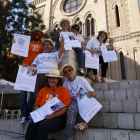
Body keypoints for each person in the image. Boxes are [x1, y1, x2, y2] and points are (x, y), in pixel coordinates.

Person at [25, 69, 71, 140]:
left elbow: (65, 108)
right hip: (43, 116)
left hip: (59, 117)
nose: (51, 80)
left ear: (58, 80)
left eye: (54, 78)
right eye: (50, 78)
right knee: (31, 125)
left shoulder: (63, 90)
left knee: (43, 126)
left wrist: (54, 115)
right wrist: (39, 113)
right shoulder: (42, 90)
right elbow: (37, 105)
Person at [12, 27, 44, 123]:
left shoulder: (43, 46)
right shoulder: (27, 44)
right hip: (24, 69)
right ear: (32, 34)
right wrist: (14, 44)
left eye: (38, 33)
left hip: (35, 70)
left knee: (33, 96)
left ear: (41, 35)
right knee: (23, 95)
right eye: (35, 33)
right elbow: (19, 56)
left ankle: (29, 114)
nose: (36, 34)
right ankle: (23, 115)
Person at [60, 64, 96, 140]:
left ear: (73, 70)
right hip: (73, 100)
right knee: (72, 108)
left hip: (83, 98)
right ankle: (69, 137)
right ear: (65, 75)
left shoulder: (82, 80)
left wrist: (92, 94)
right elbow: (65, 97)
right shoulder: (65, 84)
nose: (68, 72)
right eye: (66, 72)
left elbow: (93, 93)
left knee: (86, 101)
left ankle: (85, 123)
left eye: (69, 70)